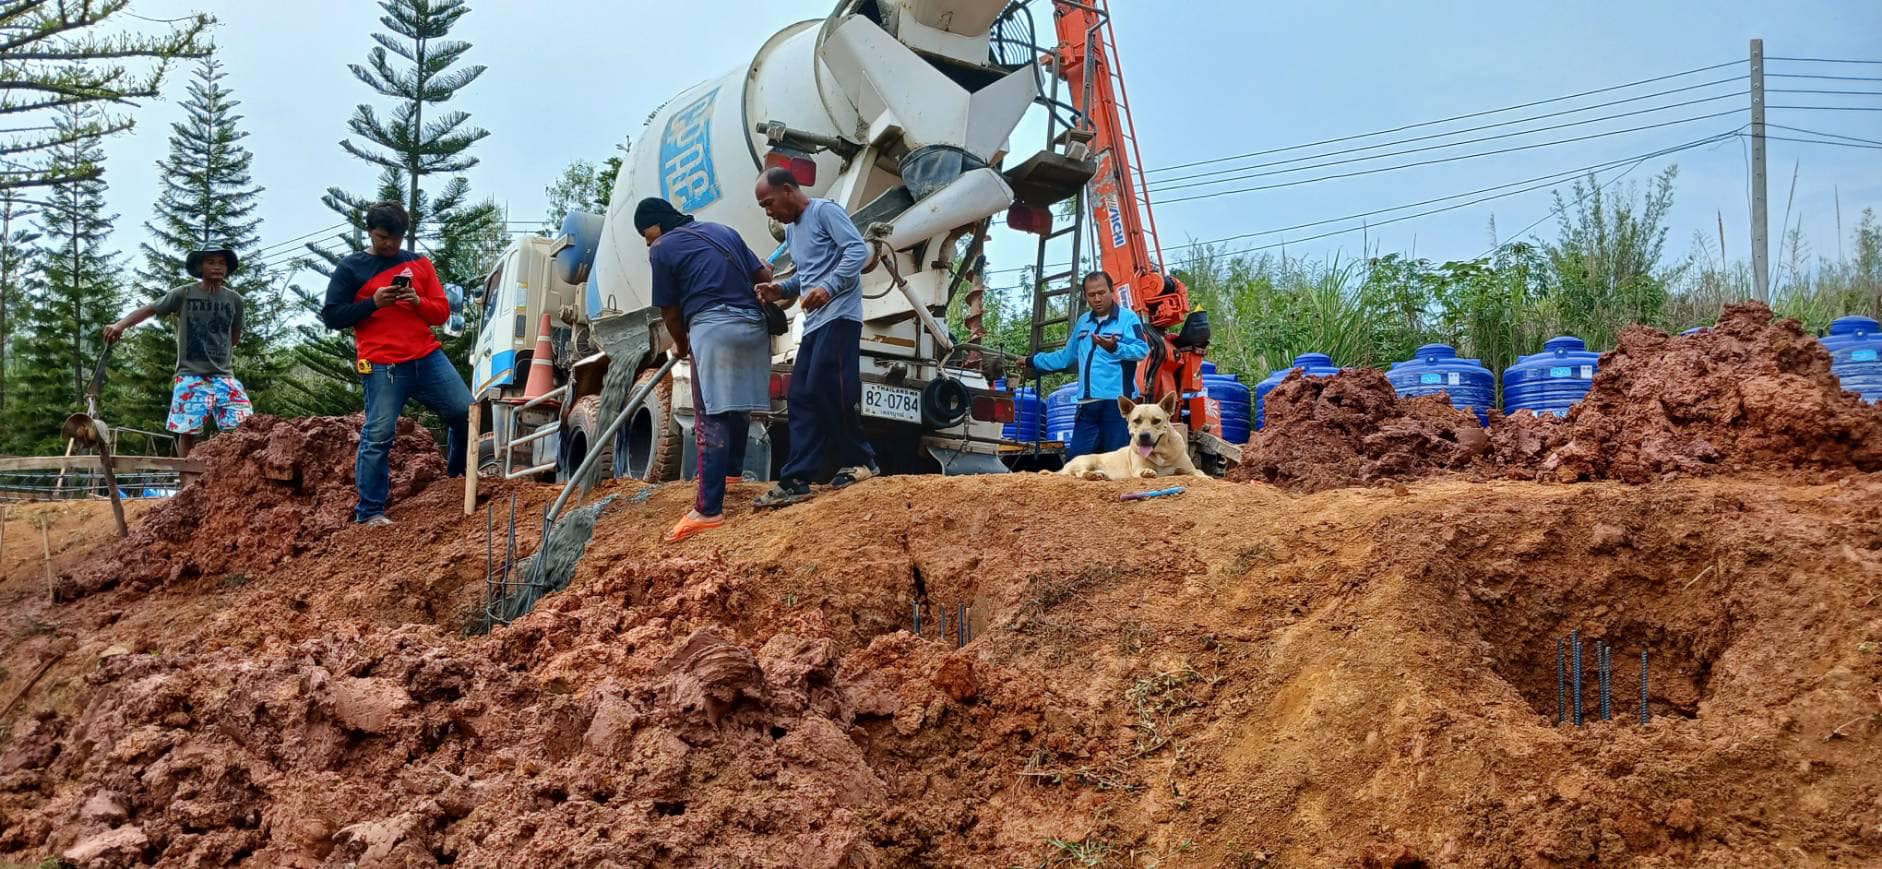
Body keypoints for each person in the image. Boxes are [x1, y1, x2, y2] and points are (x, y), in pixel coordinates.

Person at [319, 201, 470, 527]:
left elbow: (442, 312)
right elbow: (332, 315)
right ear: (370, 231)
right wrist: (372, 303)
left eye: (396, 238)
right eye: (383, 237)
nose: (389, 244)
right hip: (381, 363)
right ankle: (370, 512)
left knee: (466, 411)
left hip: (427, 356)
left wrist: (417, 302)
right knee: (379, 433)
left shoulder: (420, 264)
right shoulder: (352, 268)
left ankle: (458, 480)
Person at [637, 197, 776, 543]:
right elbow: (764, 276)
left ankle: (708, 510)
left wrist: (681, 344)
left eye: (645, 234)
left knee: (709, 415)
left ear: (656, 224)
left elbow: (670, 311)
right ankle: (730, 478)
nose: (647, 242)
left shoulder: (662, 248)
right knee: (736, 403)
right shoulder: (722, 230)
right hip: (754, 327)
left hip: (713, 329)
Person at [751, 167, 875, 508]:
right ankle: (796, 479)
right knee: (802, 395)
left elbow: (857, 252)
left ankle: (862, 461)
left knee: (832, 388)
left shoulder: (825, 212)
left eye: (769, 202)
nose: (769, 211)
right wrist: (779, 289)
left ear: (789, 190)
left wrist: (830, 287)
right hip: (816, 323)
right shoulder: (792, 232)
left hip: (841, 317)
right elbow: (805, 278)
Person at [103, 245, 252, 456]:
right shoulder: (185, 293)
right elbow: (150, 309)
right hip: (191, 374)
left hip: (223, 375)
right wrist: (120, 325)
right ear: (200, 267)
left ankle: (227, 471)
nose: (217, 267)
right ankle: (187, 480)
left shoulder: (234, 300)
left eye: (222, 263)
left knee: (241, 422)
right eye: (211, 262)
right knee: (188, 429)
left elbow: (235, 336)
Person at [1022, 271, 1150, 459]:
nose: (1097, 298)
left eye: (1101, 292)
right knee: (1078, 461)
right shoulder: (1083, 323)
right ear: (1085, 295)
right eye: (1091, 295)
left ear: (1111, 291)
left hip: (1117, 405)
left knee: (1117, 461)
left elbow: (1141, 350)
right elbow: (1065, 358)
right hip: (1087, 405)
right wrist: (1031, 360)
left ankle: (1122, 490)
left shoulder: (1127, 319)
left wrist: (1115, 347)